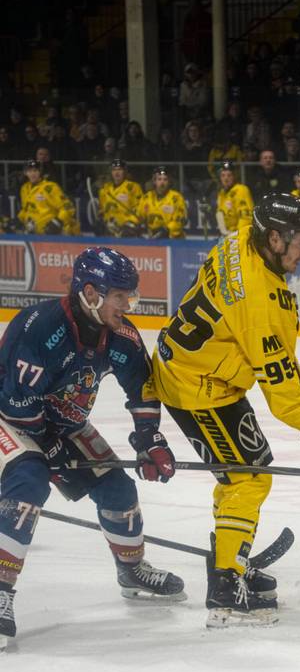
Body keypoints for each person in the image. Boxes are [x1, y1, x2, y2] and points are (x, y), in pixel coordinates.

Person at [146, 194, 300, 628]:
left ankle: (230, 556)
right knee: (248, 479)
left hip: (202, 371)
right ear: (273, 238)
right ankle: (225, 589)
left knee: (246, 471)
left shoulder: (239, 238)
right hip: (196, 386)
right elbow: (280, 384)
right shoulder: (260, 301)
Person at [0, 248, 184, 647]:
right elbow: (14, 401)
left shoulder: (122, 336)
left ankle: (131, 571)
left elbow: (142, 390)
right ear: (90, 292)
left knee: (118, 489)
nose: (128, 305)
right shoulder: (39, 328)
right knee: (29, 482)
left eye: (129, 296)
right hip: (13, 420)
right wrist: (50, 449)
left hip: (65, 423)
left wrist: (149, 439)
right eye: (119, 296)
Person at [16, 159, 80, 235]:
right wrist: (19, 220)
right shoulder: (25, 188)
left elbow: (68, 208)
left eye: (35, 171)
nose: (32, 174)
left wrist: (57, 222)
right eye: (29, 171)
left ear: (40, 172)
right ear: (25, 173)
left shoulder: (50, 187)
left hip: (57, 233)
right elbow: (26, 209)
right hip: (36, 232)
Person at [137, 166, 187, 239]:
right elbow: (139, 216)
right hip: (152, 238)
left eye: (165, 179)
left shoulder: (176, 198)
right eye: (159, 179)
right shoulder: (146, 198)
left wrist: (166, 230)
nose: (162, 182)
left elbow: (180, 220)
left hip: (174, 240)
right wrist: (132, 224)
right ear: (154, 181)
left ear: (169, 182)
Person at [98, 159, 143, 237]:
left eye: (119, 169)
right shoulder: (105, 189)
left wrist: (130, 223)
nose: (117, 172)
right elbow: (102, 210)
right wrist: (104, 220)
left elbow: (138, 210)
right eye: (114, 170)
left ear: (125, 172)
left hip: (126, 227)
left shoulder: (133, 187)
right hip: (110, 227)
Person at [215, 159, 254, 235]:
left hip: (239, 235)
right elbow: (220, 215)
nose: (226, 179)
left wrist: (237, 235)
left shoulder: (241, 190)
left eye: (229, 175)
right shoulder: (221, 193)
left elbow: (245, 217)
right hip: (227, 235)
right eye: (223, 175)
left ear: (234, 176)